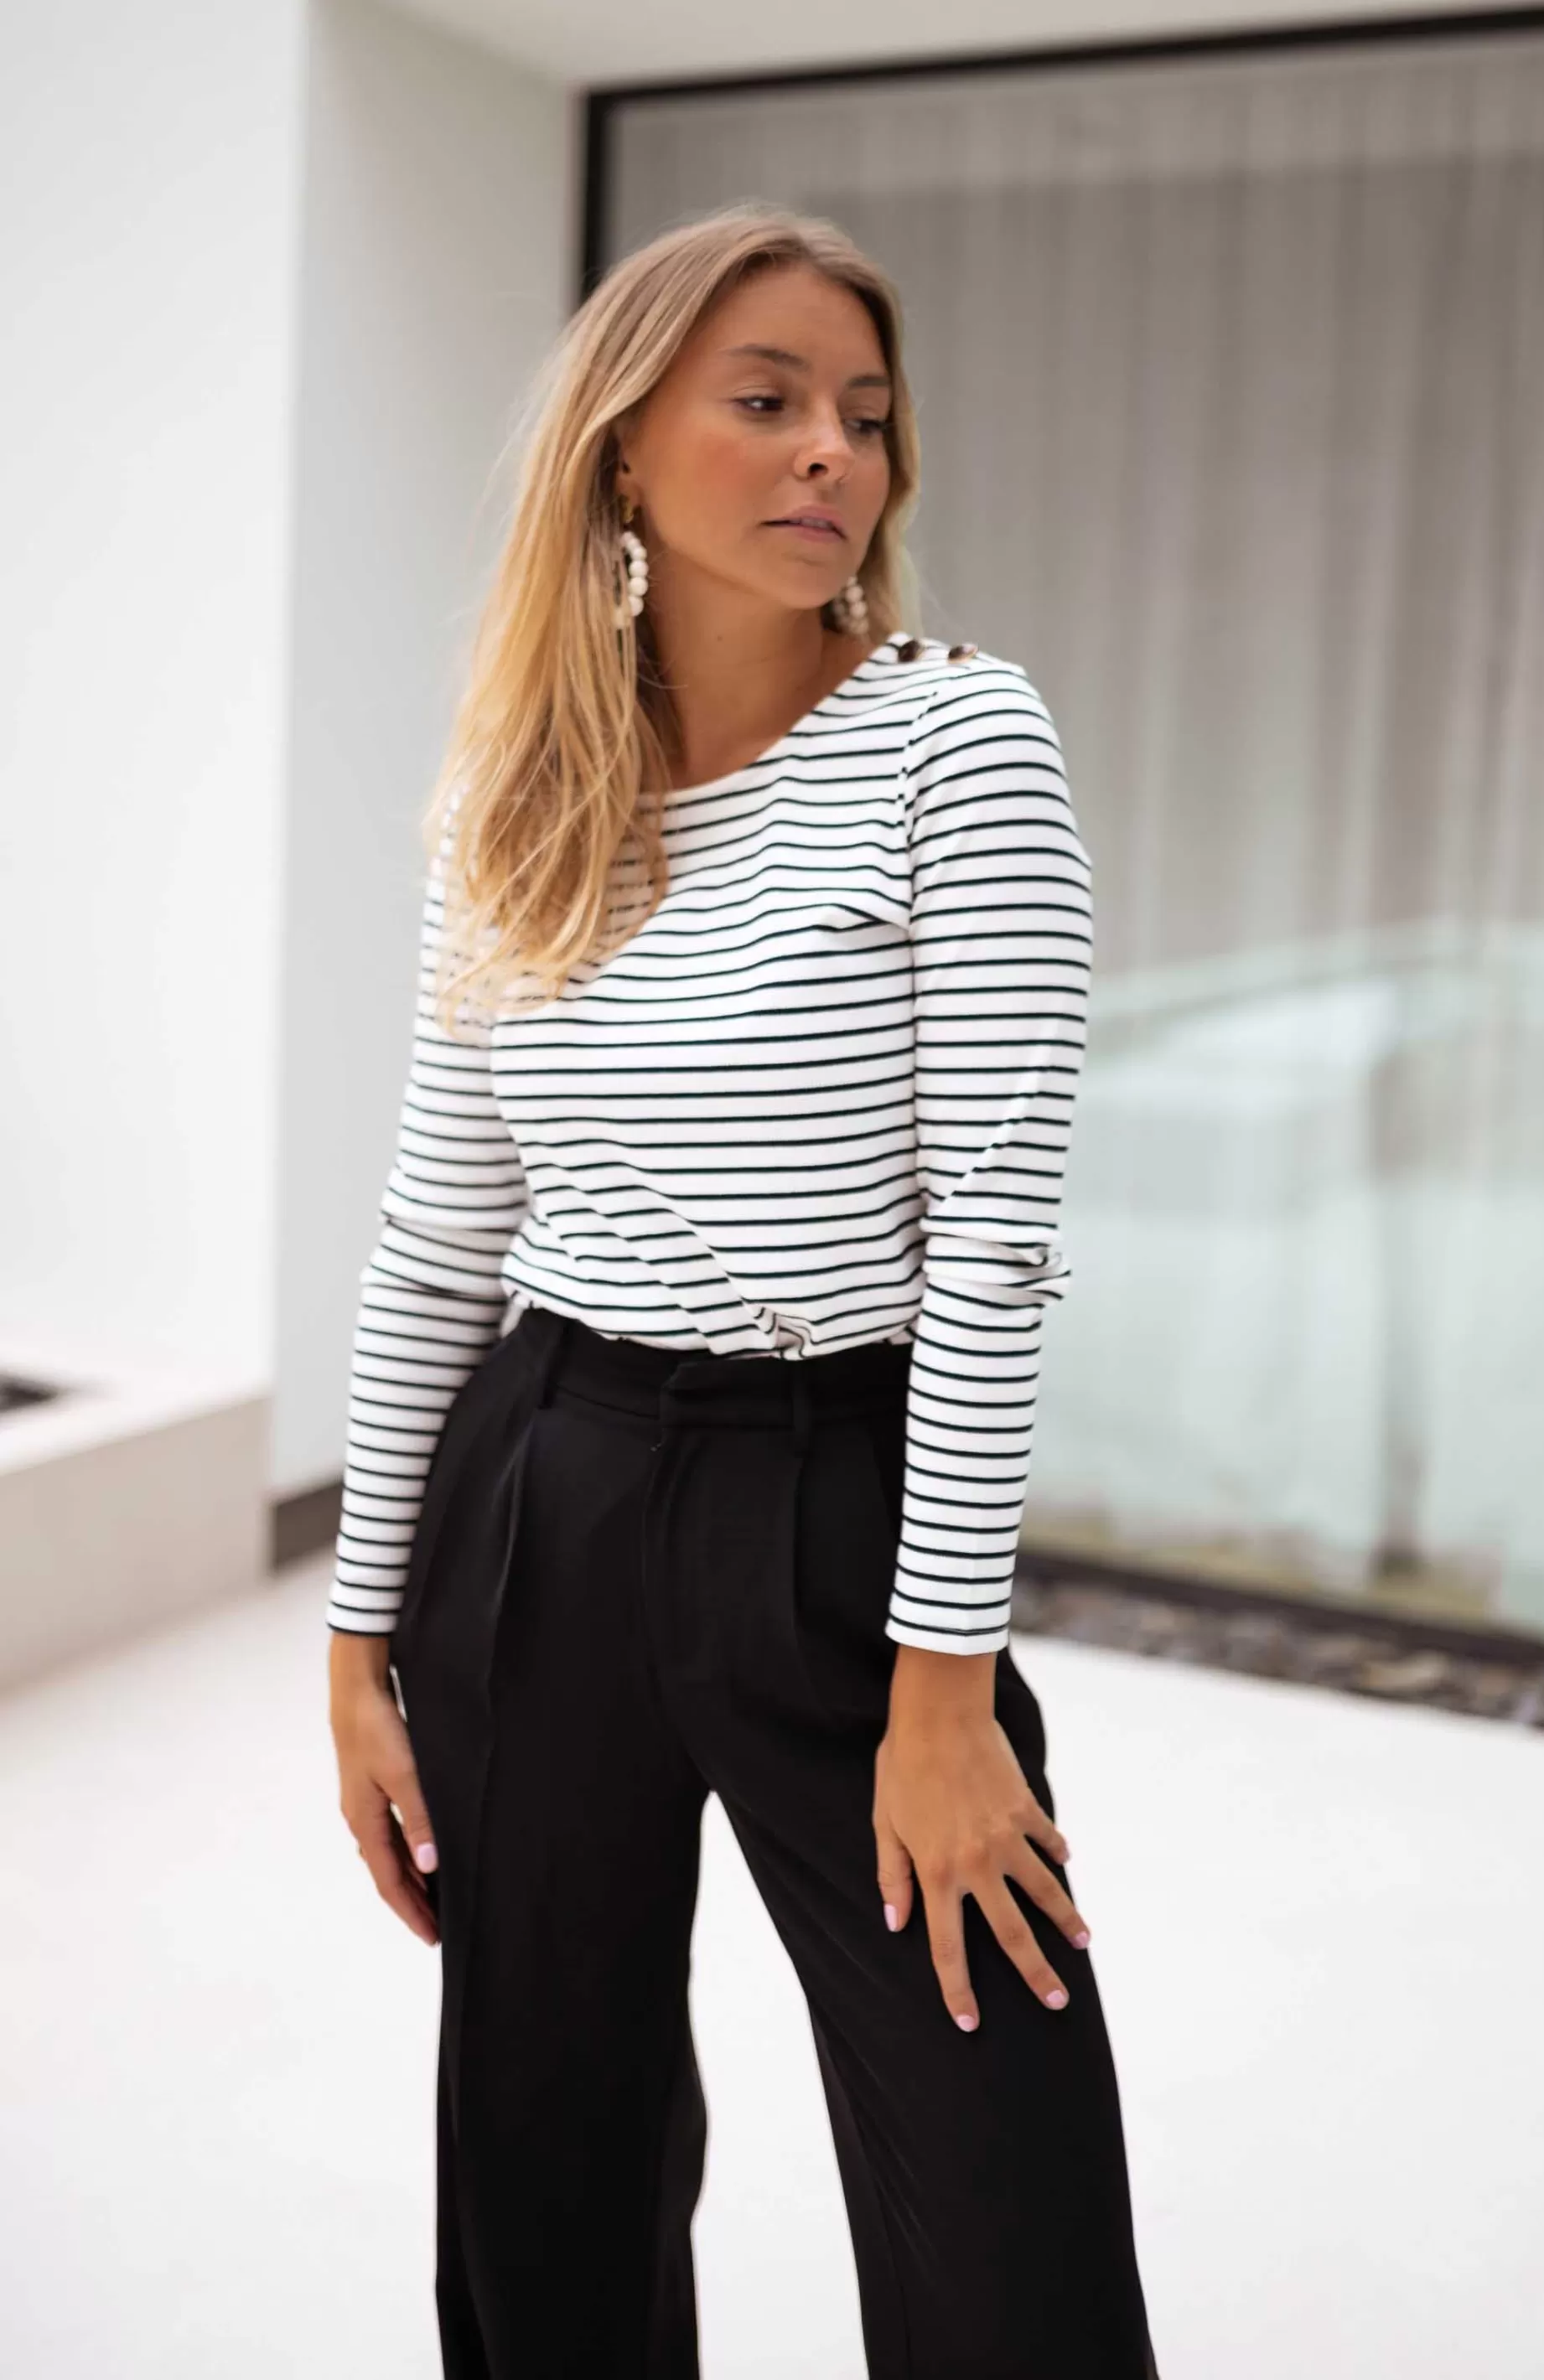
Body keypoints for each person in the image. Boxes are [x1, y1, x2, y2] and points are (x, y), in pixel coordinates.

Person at [325, 199, 1158, 2378]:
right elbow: (440, 1227)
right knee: (546, 2142)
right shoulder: (515, 796)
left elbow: (993, 1236)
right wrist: (355, 1630)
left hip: (835, 1496)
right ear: (620, 448)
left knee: (1000, 2169)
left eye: (866, 417)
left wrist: (943, 1693)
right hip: (546, 1483)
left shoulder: (956, 741)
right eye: (768, 399)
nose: (830, 456)